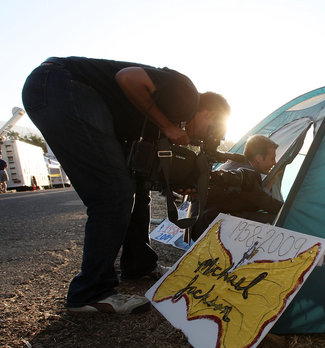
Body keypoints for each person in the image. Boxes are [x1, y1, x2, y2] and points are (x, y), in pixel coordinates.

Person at [22, 56, 230, 314]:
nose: (205, 138)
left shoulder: (163, 116)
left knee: (136, 187)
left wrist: (181, 181)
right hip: (61, 85)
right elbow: (128, 77)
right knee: (113, 193)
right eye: (213, 129)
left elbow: (142, 166)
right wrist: (167, 126)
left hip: (56, 88)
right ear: (209, 112)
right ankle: (90, 292)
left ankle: (139, 264)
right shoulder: (186, 96)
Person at [190, 135, 283, 240]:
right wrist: (291, 211)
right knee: (277, 218)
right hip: (208, 228)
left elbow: (256, 195)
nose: (274, 163)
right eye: (272, 158)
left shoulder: (234, 163)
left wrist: (272, 180)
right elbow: (268, 204)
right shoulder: (247, 175)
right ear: (258, 158)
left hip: (196, 222)